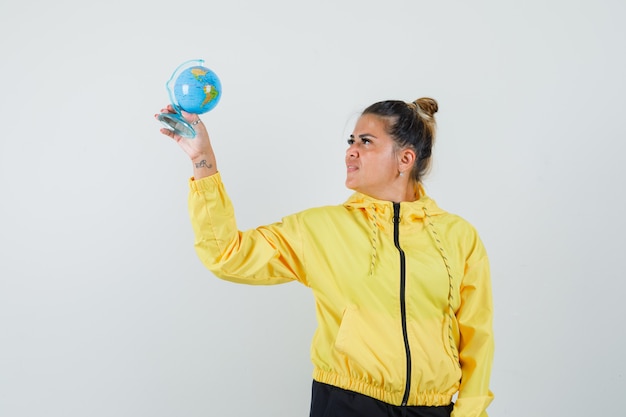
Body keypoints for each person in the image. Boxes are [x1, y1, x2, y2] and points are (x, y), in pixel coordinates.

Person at [155, 98, 494, 417]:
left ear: (404, 160)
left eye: (365, 142)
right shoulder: (319, 229)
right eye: (351, 141)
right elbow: (227, 254)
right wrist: (203, 161)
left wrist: (470, 412)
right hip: (347, 404)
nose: (350, 152)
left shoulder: (458, 236)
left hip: (433, 409)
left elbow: (477, 336)